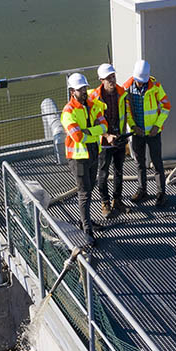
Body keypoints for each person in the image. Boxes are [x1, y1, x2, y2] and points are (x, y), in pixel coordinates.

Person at [60, 73, 108, 243]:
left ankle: (85, 221)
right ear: (72, 91)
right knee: (84, 193)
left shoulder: (93, 105)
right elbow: (77, 137)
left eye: (85, 88)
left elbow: (104, 126)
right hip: (78, 157)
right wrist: (92, 132)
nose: (84, 91)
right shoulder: (68, 112)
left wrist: (89, 131)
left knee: (90, 187)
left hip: (93, 152)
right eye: (80, 89)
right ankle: (87, 231)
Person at [124, 60, 170, 207]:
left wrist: (157, 126)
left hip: (153, 133)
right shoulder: (126, 88)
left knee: (157, 163)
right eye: (138, 81)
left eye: (142, 81)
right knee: (139, 163)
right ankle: (142, 190)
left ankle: (161, 193)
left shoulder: (156, 87)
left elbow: (166, 106)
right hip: (137, 133)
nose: (140, 84)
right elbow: (127, 111)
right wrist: (133, 127)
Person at [89, 63, 129, 218]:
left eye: (113, 76)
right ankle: (105, 202)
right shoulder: (94, 98)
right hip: (104, 142)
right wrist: (106, 136)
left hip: (119, 138)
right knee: (103, 173)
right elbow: (94, 121)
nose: (112, 80)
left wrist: (124, 137)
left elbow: (125, 114)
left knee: (119, 171)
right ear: (101, 80)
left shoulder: (121, 92)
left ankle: (117, 200)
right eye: (108, 78)